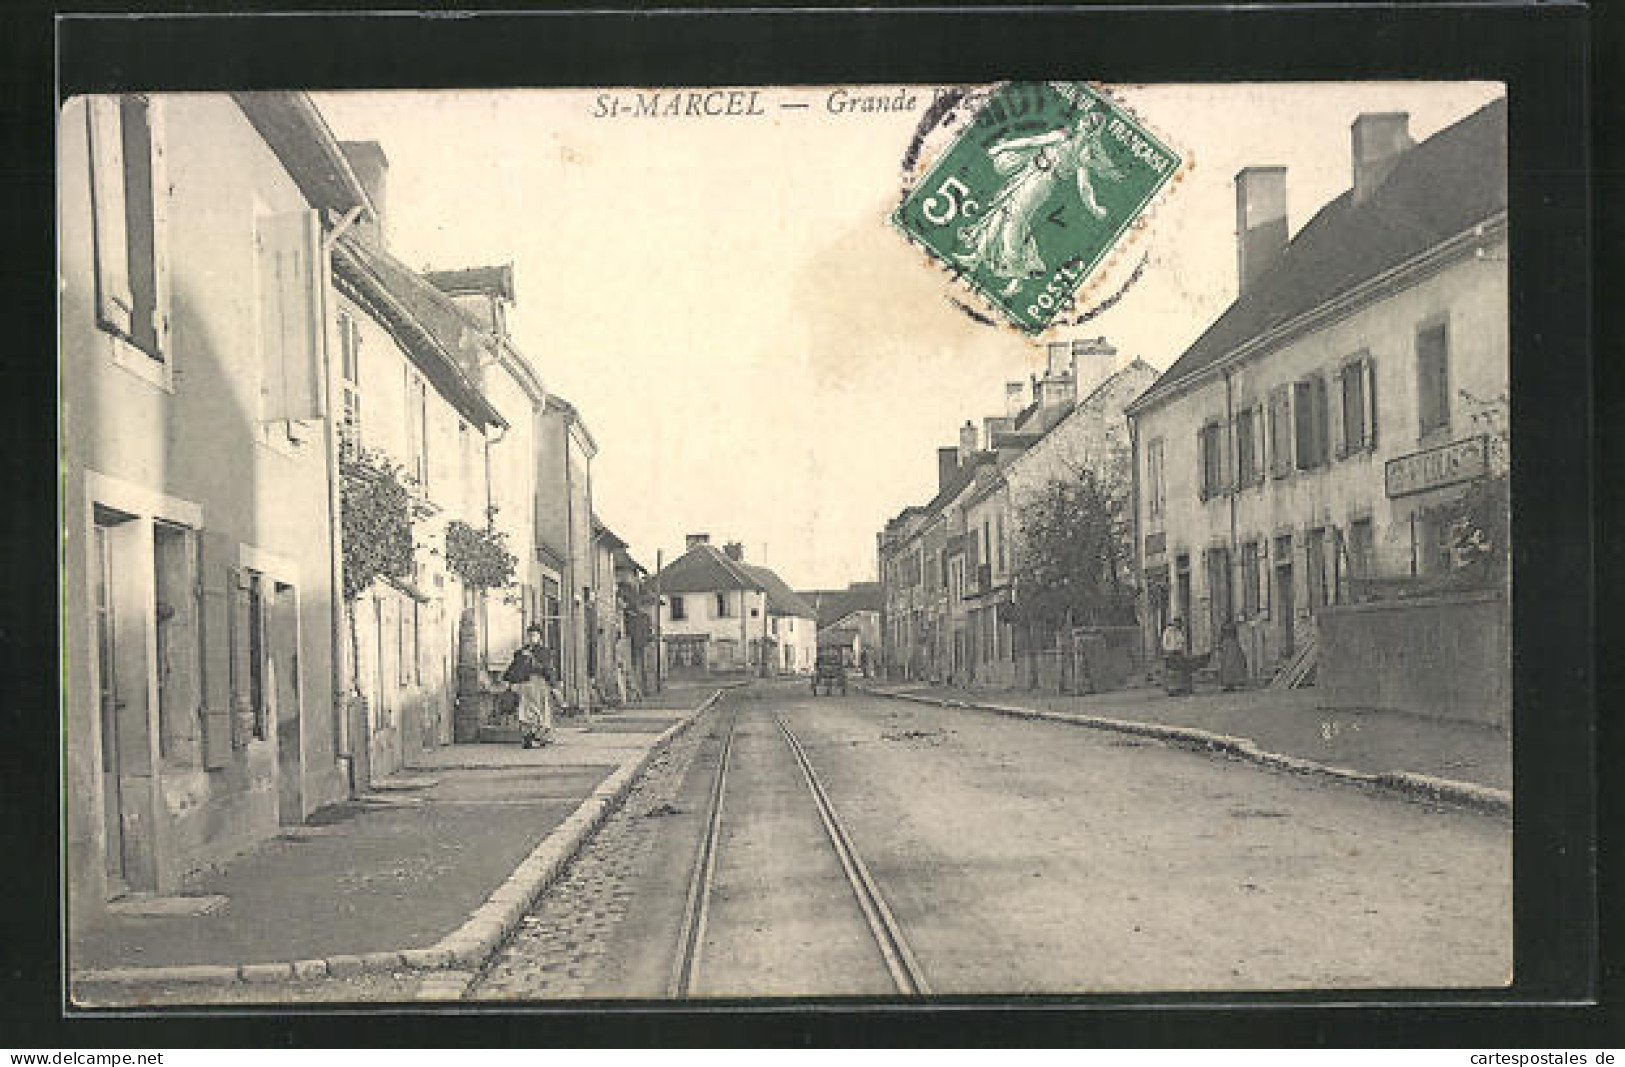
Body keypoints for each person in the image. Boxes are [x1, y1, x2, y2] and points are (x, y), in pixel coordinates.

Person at [504, 624, 558, 749]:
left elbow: (548, 669)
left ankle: (538, 735)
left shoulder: (544, 652)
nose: (532, 638)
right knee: (526, 710)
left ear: (539, 637)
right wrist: (511, 681)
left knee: (539, 710)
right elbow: (514, 668)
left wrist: (552, 684)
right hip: (525, 684)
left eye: (535, 635)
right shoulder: (521, 651)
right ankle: (529, 736)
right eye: (530, 635)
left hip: (539, 684)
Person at [1161, 616, 1191, 696]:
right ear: (1174, 623)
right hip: (1170, 652)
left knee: (1181, 669)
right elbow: (1164, 643)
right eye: (1176, 623)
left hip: (1178, 652)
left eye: (1179, 624)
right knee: (1171, 670)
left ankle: (1180, 688)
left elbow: (1182, 642)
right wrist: (1168, 650)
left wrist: (1179, 648)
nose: (1177, 625)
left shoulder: (1179, 632)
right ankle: (1171, 689)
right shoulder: (1168, 631)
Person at [1217, 618, 1249, 692]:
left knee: (1230, 664)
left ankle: (1231, 683)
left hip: (1230, 647)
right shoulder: (1229, 630)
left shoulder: (1228, 630)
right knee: (1228, 665)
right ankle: (1229, 684)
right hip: (1230, 646)